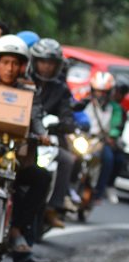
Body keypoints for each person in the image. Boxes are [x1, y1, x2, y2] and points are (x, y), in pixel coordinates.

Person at [0, 35, 51, 262]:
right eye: (5, 62)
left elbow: (37, 117)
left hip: (13, 160)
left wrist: (42, 133)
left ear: (22, 67)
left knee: (41, 177)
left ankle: (18, 229)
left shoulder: (29, 92)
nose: (9, 69)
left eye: (15, 64)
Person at [28, 38, 78, 226]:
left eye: (51, 63)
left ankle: (53, 206)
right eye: (43, 61)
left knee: (67, 159)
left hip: (49, 138)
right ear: (35, 61)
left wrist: (65, 124)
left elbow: (67, 114)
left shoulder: (61, 88)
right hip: (25, 135)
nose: (46, 67)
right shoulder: (26, 81)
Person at [84, 71, 124, 204]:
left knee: (108, 158)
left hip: (102, 140)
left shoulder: (115, 108)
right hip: (83, 138)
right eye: (97, 91)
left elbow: (116, 124)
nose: (100, 94)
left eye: (104, 92)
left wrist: (112, 135)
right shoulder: (85, 102)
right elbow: (73, 113)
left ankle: (98, 193)